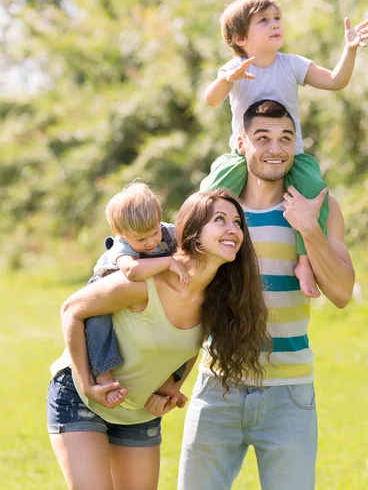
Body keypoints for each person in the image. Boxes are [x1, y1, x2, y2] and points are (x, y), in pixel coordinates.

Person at [179, 100, 355, 490]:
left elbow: (341, 293)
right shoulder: (218, 218)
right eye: (263, 138)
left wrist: (309, 229)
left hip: (288, 394)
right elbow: (186, 296)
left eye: (285, 139)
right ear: (241, 143)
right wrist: (173, 376)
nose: (275, 148)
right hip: (216, 387)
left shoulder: (321, 209)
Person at [47, 189, 269, 490]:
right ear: (191, 232)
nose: (233, 229)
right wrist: (87, 382)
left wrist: (170, 386)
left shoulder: (215, 299)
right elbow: (72, 310)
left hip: (138, 412)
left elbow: (191, 347)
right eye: (220, 219)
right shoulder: (144, 281)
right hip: (80, 399)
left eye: (237, 222)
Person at [201, 0, 368, 299]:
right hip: (243, 155)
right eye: (263, 21)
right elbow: (211, 100)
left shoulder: (292, 64)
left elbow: (335, 81)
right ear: (240, 37)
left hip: (292, 154)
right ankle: (190, 254)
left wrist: (349, 50)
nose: (274, 25)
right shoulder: (235, 69)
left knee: (312, 190)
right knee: (209, 195)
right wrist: (228, 79)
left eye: (277, 18)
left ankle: (304, 261)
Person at [85, 181, 190, 405]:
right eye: (141, 240)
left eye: (154, 233)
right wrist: (168, 262)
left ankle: (169, 380)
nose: (151, 242)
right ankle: (103, 375)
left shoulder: (168, 233)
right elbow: (132, 271)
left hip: (148, 291)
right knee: (98, 322)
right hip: (109, 284)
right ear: (120, 234)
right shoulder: (122, 246)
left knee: (184, 323)